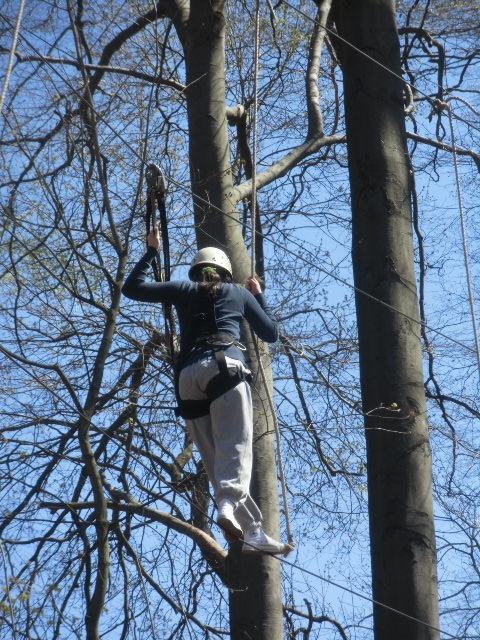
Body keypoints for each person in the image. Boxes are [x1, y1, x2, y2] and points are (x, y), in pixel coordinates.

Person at [122, 228, 286, 555]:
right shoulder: (238, 293)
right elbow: (271, 333)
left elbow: (132, 288)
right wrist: (258, 296)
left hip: (186, 381)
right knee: (235, 447)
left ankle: (252, 529)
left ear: (196, 271)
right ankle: (227, 506)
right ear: (225, 272)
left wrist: (152, 251)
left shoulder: (183, 289)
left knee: (214, 459)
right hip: (224, 369)